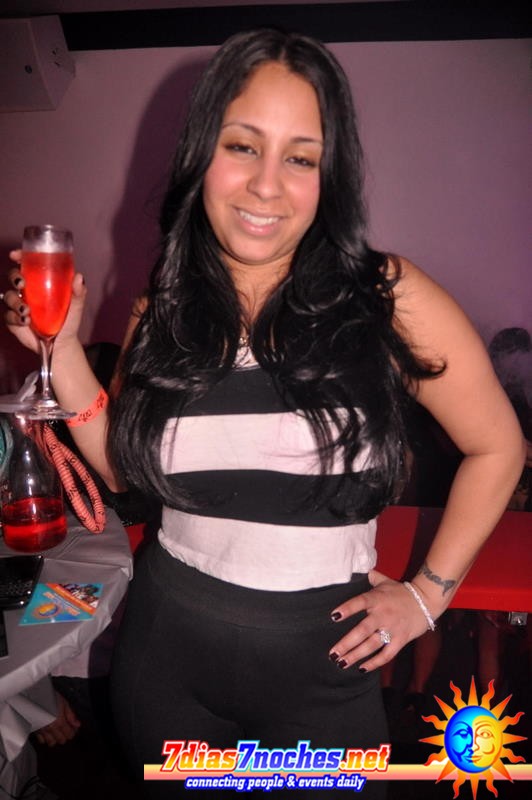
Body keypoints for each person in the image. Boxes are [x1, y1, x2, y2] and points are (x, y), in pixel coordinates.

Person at [3, 29, 524, 799]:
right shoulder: (163, 308)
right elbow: (123, 468)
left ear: (329, 176)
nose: (266, 186)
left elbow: (499, 447)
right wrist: (65, 349)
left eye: (301, 158)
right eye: (243, 146)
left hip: (323, 677)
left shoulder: (386, 298)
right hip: (166, 662)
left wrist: (427, 595)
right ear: (202, 157)